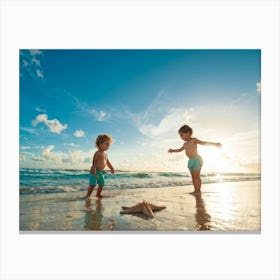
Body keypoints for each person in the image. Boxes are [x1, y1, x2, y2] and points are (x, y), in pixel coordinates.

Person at [168, 125, 221, 194]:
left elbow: (203, 143)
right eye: (180, 136)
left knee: (197, 176)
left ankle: (198, 190)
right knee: (193, 177)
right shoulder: (185, 144)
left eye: (182, 135)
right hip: (190, 161)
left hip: (197, 159)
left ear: (188, 133)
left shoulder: (194, 140)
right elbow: (180, 150)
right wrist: (173, 150)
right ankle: (195, 190)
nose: (181, 137)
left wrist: (214, 144)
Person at [85, 134, 115, 199]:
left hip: (101, 172)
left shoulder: (105, 154)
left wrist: (111, 168)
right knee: (92, 184)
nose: (108, 146)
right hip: (95, 171)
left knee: (101, 184)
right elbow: (94, 161)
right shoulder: (97, 153)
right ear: (100, 144)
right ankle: (88, 195)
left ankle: (98, 194)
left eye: (109, 145)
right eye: (106, 144)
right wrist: (93, 168)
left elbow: (107, 162)